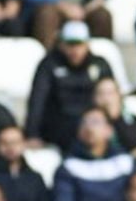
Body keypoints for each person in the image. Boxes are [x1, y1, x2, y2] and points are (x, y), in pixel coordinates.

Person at [27, 21, 117, 151]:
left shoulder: (100, 65)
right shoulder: (49, 65)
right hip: (60, 126)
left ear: (87, 44)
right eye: (70, 44)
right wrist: (32, 134)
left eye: (79, 44)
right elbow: (37, 100)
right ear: (61, 44)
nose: (74, 50)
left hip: (93, 122)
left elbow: (114, 98)